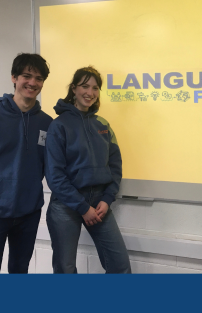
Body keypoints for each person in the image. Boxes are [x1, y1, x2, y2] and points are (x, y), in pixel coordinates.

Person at [45, 66, 131, 273]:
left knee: (120, 266)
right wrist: (83, 207)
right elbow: (55, 176)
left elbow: (115, 166)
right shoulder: (59, 126)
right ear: (73, 89)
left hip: (100, 203)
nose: (90, 93)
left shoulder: (103, 125)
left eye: (95, 88)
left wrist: (107, 198)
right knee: (65, 270)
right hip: (66, 206)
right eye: (84, 86)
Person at [0, 53, 52, 273]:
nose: (32, 83)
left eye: (38, 78)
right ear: (14, 77)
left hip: (29, 212)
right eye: (26, 76)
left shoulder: (47, 123)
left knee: (20, 270)